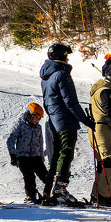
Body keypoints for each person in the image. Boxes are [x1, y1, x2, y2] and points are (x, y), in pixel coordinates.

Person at [40, 42, 89, 205]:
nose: (68, 59)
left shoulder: (47, 76)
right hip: (65, 120)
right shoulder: (61, 74)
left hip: (53, 120)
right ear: (61, 57)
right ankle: (60, 189)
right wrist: (85, 120)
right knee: (66, 153)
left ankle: (48, 191)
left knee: (57, 155)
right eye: (66, 56)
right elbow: (71, 102)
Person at [88, 65, 111, 207]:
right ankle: (103, 197)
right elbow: (110, 113)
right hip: (105, 130)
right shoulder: (107, 92)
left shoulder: (98, 90)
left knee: (102, 164)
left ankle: (96, 195)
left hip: (98, 129)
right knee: (110, 163)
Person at [7, 102, 48, 204]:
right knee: (29, 176)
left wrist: (41, 156)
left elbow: (40, 142)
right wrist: (13, 155)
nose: (37, 121)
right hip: (23, 156)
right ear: (29, 115)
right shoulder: (20, 125)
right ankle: (31, 196)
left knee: (45, 175)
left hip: (35, 156)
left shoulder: (38, 127)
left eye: (39, 119)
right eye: (36, 117)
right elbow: (11, 139)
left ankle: (50, 193)